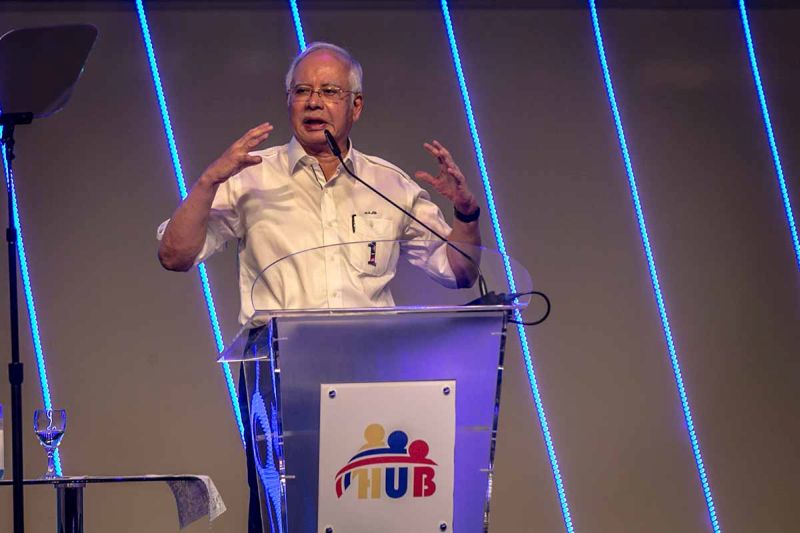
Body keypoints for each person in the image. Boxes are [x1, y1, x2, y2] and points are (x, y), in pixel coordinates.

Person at [156, 42, 482, 531]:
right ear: (288, 101)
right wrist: (207, 183)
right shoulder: (250, 177)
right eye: (302, 90)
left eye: (329, 91)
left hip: (373, 371)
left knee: (371, 508)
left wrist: (466, 215)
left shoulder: (388, 184)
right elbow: (174, 255)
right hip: (276, 373)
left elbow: (458, 272)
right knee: (283, 512)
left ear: (356, 106)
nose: (313, 101)